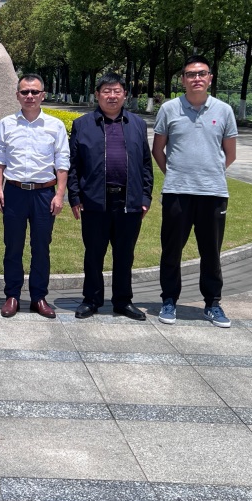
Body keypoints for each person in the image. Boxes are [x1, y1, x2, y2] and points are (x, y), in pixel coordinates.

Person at [152, 55, 238, 328]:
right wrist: (175, 174)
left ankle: (212, 303)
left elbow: (230, 154)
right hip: (177, 193)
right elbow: (158, 149)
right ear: (183, 80)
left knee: (211, 252)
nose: (196, 78)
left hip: (213, 194)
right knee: (171, 251)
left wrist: (209, 174)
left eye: (201, 74)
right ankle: (169, 300)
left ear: (210, 78)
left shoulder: (224, 110)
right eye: (191, 74)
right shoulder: (169, 109)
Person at [67, 72, 153, 321]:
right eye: (106, 91)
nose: (112, 96)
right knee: (94, 254)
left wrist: (145, 197)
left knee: (125, 255)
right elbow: (73, 165)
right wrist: (75, 197)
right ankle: (91, 300)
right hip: (94, 201)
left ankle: (123, 302)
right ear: (97, 94)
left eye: (117, 91)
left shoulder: (137, 124)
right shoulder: (83, 125)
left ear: (124, 94)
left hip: (129, 202)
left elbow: (146, 164)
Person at [0, 74, 69, 319]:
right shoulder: (6, 123)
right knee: (12, 246)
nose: (29, 96)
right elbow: (0, 159)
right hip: (14, 192)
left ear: (43, 95)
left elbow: (62, 162)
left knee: (41, 247)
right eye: (24, 92)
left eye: (34, 92)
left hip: (44, 194)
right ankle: (12, 295)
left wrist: (60, 194)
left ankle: (39, 297)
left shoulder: (55, 126)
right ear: (17, 95)